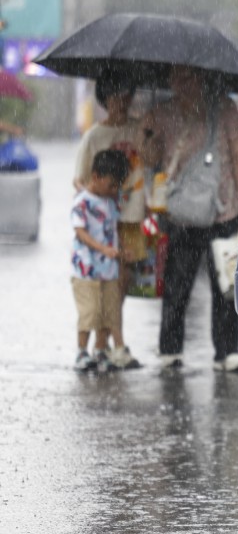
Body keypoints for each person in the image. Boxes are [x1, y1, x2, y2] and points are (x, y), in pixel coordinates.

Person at [140, 65, 238, 372]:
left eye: (188, 77)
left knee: (226, 286)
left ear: (202, 76)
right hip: (182, 214)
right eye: (175, 77)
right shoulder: (162, 111)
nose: (181, 83)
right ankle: (170, 350)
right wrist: (147, 132)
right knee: (177, 283)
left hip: (224, 209)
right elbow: (149, 161)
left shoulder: (225, 109)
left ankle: (227, 352)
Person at [72, 71, 146, 369]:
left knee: (120, 286)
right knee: (104, 286)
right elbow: (79, 181)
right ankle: (106, 346)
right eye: (117, 96)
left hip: (131, 219)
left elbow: (152, 163)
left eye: (127, 96)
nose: (123, 102)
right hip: (102, 225)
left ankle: (104, 345)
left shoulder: (140, 129)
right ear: (105, 99)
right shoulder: (94, 137)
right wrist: (100, 207)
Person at [71, 149, 131, 373]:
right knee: (89, 312)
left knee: (108, 313)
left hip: (109, 271)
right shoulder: (82, 202)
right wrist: (103, 249)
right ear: (96, 176)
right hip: (85, 271)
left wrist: (121, 250)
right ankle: (81, 351)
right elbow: (80, 232)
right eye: (111, 185)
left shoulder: (110, 201)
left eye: (117, 186)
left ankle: (101, 351)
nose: (114, 191)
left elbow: (115, 228)